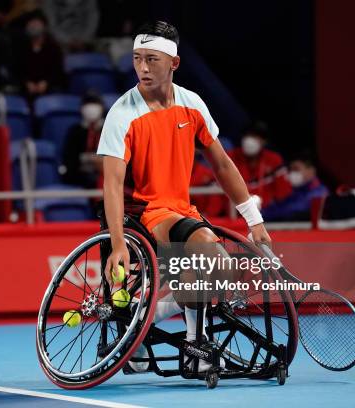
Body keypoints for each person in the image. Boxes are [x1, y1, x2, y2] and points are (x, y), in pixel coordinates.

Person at [97, 21, 271, 372]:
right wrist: (117, 243)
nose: (143, 68)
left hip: (179, 209)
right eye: (137, 59)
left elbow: (222, 165)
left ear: (174, 63)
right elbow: (112, 184)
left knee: (218, 271)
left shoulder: (191, 104)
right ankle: (195, 345)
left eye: (152, 59)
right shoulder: (122, 114)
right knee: (208, 254)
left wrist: (255, 220)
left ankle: (142, 316)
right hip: (141, 211)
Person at [227, 123, 292, 209]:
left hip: (267, 214)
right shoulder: (230, 157)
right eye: (247, 136)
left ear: (264, 141)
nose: (249, 140)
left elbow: (283, 192)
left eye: (254, 136)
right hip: (236, 213)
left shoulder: (274, 160)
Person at [14, 11, 65, 102]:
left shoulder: (53, 47)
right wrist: (27, 82)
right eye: (31, 23)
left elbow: (57, 70)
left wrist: (46, 82)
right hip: (26, 88)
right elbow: (17, 69)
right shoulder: (20, 47)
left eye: (36, 23)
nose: (33, 26)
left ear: (44, 26)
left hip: (49, 87)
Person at [262, 153, 329, 221]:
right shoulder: (292, 191)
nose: (292, 173)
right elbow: (275, 207)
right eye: (290, 169)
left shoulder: (319, 191)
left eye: (296, 169)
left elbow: (295, 210)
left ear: (311, 170)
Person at [62, 93, 104, 189]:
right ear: (81, 108)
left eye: (95, 104)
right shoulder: (74, 131)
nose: (91, 108)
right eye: (88, 104)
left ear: (101, 108)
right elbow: (69, 160)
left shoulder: (110, 129)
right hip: (81, 175)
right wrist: (88, 159)